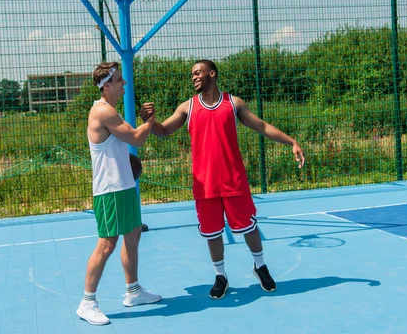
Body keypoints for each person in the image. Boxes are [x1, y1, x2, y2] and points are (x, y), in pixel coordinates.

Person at [141, 59, 305, 300]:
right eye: (192, 74)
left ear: (212, 74)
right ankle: (220, 275)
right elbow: (164, 130)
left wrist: (291, 141)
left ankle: (260, 266)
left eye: (198, 73)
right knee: (212, 233)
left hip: (233, 181)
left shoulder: (233, 103)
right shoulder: (187, 107)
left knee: (248, 228)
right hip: (205, 184)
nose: (194, 77)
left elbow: (261, 126)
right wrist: (149, 122)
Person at [77, 62, 161, 326]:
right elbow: (136, 138)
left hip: (124, 187)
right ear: (107, 85)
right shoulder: (102, 111)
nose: (124, 84)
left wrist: (141, 118)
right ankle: (87, 302)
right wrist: (150, 120)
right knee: (107, 244)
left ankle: (133, 291)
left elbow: (124, 137)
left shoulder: (111, 111)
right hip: (110, 191)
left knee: (133, 232)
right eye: (120, 80)